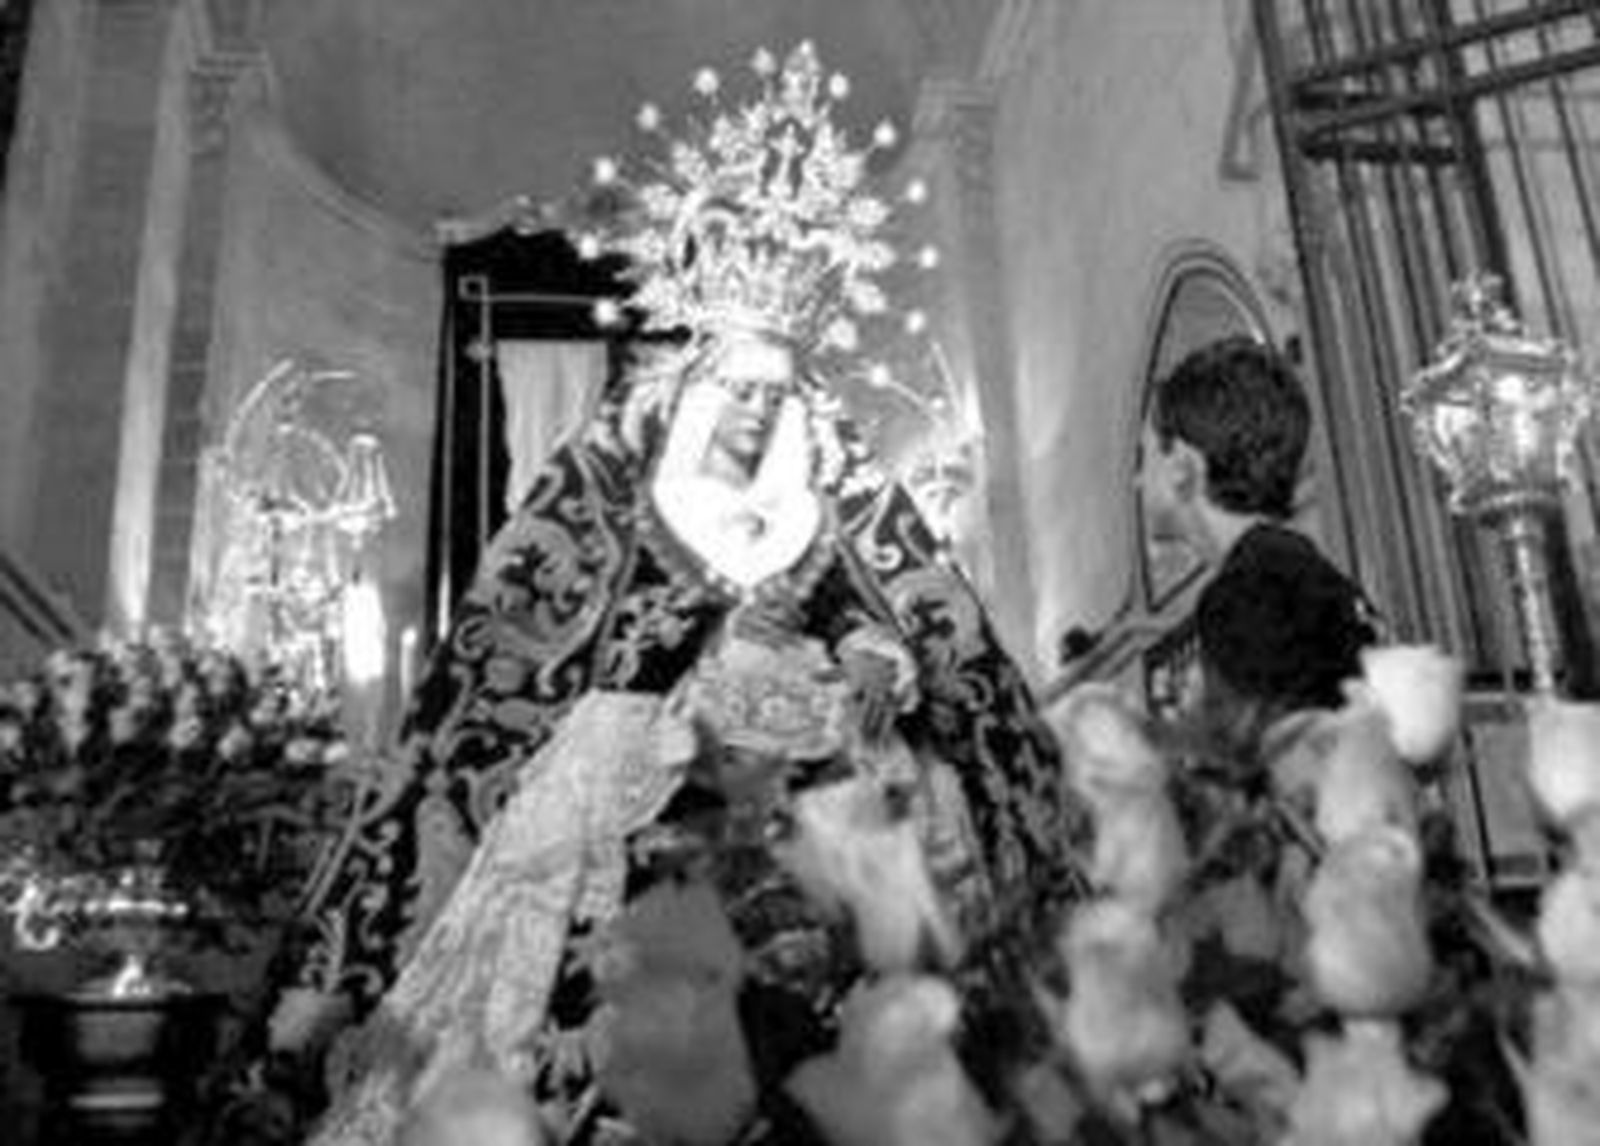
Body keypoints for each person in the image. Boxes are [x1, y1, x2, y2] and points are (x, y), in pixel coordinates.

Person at [263, 42, 1081, 1146]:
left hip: (814, 859)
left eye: (778, 395)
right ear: (699, 378)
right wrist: (703, 660)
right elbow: (517, 662)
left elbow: (913, 625)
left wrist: (872, 659)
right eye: (738, 387)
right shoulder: (615, 473)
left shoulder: (834, 493)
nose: (756, 414)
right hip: (648, 843)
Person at [1139, 335, 1380, 758]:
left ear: (1182, 468)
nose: (1138, 481)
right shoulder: (1293, 567)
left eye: (1144, 460)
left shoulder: (1249, 591)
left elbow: (1271, 779)